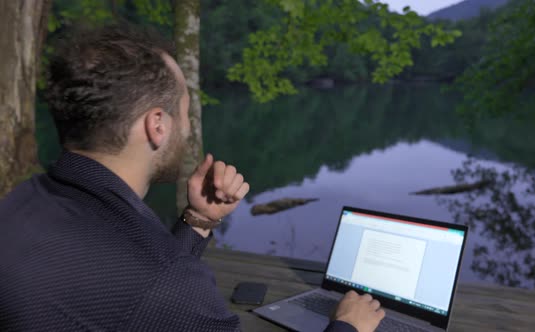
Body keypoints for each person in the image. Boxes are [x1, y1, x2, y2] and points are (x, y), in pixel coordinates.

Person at [0, 24, 385, 332]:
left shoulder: (21, 202)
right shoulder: (167, 287)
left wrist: (198, 222)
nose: (187, 126)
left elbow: (134, 287)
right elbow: (151, 285)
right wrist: (348, 326)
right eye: (184, 110)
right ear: (157, 125)